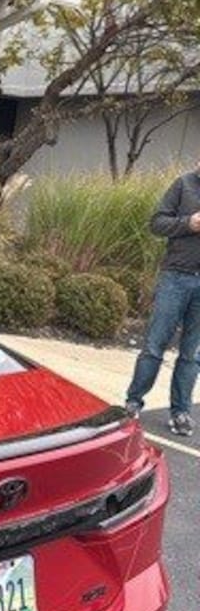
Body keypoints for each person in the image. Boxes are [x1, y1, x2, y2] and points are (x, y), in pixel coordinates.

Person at [125, 160, 200, 436]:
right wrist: (188, 223)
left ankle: (181, 412)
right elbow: (157, 223)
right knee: (155, 344)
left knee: (192, 354)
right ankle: (133, 401)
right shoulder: (184, 184)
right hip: (176, 277)